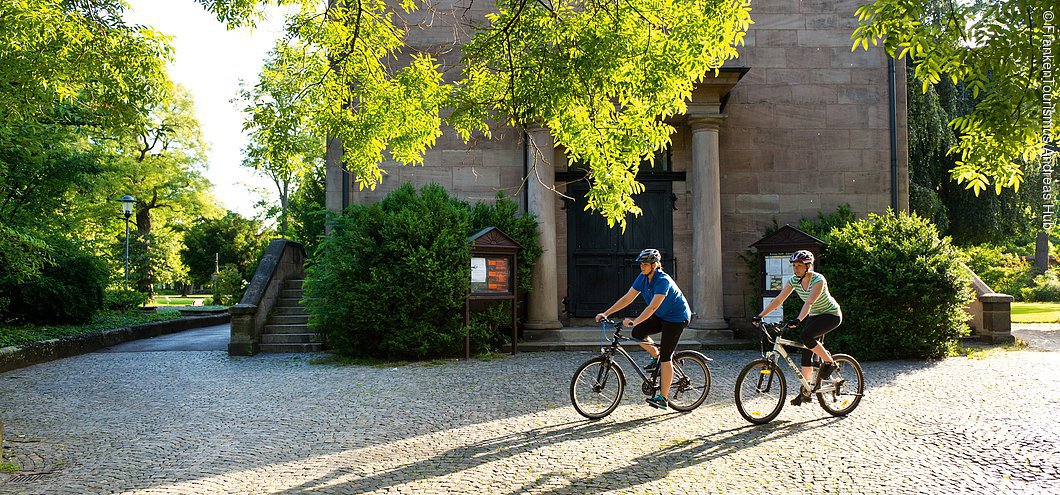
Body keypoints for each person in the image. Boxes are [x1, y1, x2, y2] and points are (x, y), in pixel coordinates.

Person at [595, 248, 692, 410]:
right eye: (641, 263)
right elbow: (627, 298)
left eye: (645, 264)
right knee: (638, 332)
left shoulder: (663, 281)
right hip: (662, 315)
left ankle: (663, 398)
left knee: (666, 357)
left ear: (654, 265)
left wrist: (635, 320)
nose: (642, 266)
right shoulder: (642, 278)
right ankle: (657, 358)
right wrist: (606, 312)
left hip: (676, 317)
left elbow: (653, 306)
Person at [753, 250, 842, 406]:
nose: (795, 269)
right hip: (815, 315)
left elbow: (809, 302)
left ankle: (830, 362)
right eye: (794, 266)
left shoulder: (818, 280)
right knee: (806, 354)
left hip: (831, 315)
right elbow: (779, 299)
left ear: (808, 266)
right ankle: (806, 391)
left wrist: (798, 320)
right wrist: (760, 316)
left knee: (806, 336)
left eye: (799, 265)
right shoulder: (794, 280)